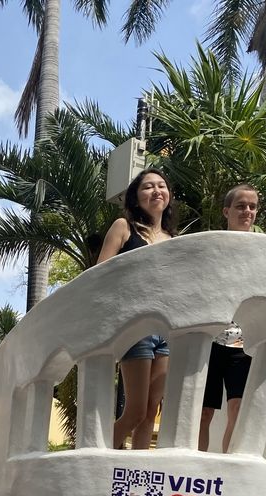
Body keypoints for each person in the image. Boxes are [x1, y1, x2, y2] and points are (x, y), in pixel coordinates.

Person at [98, 169, 177, 450]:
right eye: (147, 187)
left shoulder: (173, 239)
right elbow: (99, 274)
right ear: (135, 196)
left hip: (165, 330)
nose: (156, 191)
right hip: (135, 327)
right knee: (135, 411)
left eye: (161, 186)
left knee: (150, 413)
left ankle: (140, 478)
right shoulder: (124, 227)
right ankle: (102, 462)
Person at [199, 185, 260, 452]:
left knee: (237, 409)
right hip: (209, 340)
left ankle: (227, 468)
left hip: (243, 343)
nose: (247, 211)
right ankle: (196, 469)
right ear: (226, 211)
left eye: (252, 206)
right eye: (240, 206)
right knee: (203, 412)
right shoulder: (211, 246)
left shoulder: (263, 251)